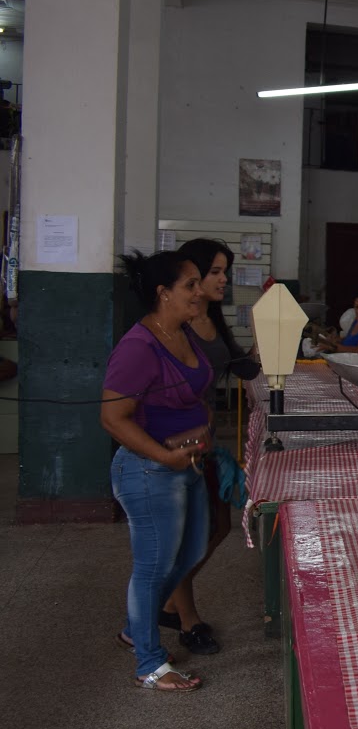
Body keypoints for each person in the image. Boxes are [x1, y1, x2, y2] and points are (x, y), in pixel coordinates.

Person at [100, 251, 212, 693]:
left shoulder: (182, 332)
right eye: (191, 285)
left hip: (187, 465)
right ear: (164, 293)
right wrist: (164, 457)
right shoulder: (138, 347)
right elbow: (113, 418)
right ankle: (149, 664)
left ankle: (137, 627)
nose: (200, 292)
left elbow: (189, 394)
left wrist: (199, 433)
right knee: (154, 565)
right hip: (148, 471)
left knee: (191, 552)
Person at [150, 238, 260, 655]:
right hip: (178, 443)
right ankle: (186, 618)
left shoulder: (212, 318)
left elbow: (242, 367)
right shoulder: (177, 325)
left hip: (204, 439)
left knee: (218, 527)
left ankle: (167, 602)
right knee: (188, 535)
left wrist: (268, 332)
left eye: (223, 271)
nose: (222, 279)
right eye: (214, 272)